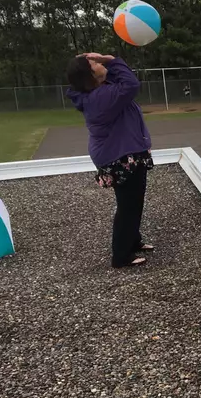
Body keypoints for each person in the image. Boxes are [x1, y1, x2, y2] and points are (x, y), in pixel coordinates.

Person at [66, 53, 154, 268]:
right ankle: (121, 256)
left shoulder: (100, 91)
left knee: (133, 202)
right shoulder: (100, 98)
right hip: (119, 156)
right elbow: (131, 84)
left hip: (124, 152)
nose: (100, 63)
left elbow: (121, 84)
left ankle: (133, 241)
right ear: (89, 74)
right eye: (94, 63)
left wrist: (106, 64)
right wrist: (112, 59)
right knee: (128, 206)